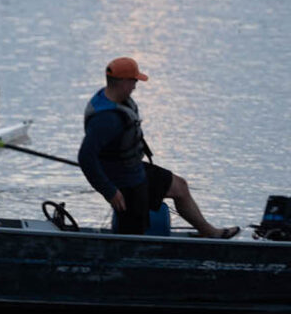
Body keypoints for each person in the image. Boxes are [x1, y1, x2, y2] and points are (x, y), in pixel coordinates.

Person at [77, 57, 239, 238]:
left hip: (136, 171)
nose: (135, 86)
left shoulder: (113, 98)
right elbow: (86, 158)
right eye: (134, 81)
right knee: (132, 237)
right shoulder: (106, 119)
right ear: (122, 82)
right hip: (125, 186)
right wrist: (110, 191)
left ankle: (210, 233)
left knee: (180, 187)